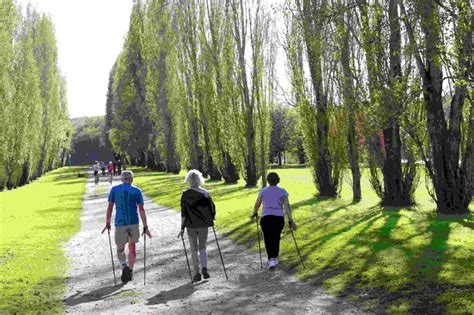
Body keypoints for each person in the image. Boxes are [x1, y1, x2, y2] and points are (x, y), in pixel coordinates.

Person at [101, 170, 152, 284]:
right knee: (132, 248)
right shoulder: (137, 191)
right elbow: (141, 209)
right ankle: (131, 270)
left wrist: (107, 222)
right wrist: (145, 226)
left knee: (120, 248)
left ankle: (124, 266)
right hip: (133, 222)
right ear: (132, 179)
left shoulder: (114, 190)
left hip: (120, 223)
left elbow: (110, 207)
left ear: (121, 179)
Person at [250, 172, 297, 270]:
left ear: (268, 181)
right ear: (278, 180)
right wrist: (290, 220)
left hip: (266, 218)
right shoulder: (283, 192)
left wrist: (254, 213)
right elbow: (287, 206)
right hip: (278, 218)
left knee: (268, 238)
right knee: (276, 237)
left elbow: (257, 204)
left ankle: (271, 259)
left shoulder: (263, 191)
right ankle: (274, 258)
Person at [177, 170, 215, 282]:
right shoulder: (205, 193)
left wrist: (182, 227)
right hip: (203, 224)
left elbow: (183, 212)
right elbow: (212, 208)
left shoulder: (185, 194)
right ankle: (204, 268)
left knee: (193, 249)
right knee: (203, 247)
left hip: (191, 225)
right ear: (200, 179)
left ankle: (196, 273)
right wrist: (211, 219)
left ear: (188, 180)